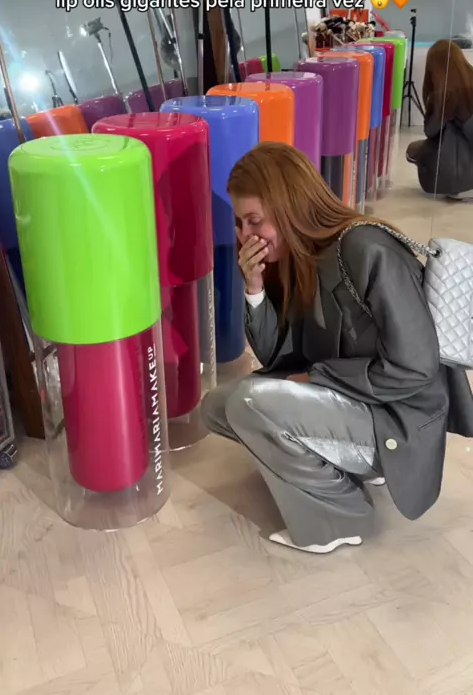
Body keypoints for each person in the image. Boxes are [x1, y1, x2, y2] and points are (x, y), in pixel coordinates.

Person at [201, 143, 473, 554]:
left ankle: (338, 519)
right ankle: (335, 464)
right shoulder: (299, 256)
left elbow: (415, 367)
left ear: (290, 207)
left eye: (254, 220)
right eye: (240, 223)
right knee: (218, 407)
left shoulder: (367, 249)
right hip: (354, 397)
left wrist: (316, 377)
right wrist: (254, 288)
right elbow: (277, 356)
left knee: (249, 404)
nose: (245, 235)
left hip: (396, 414)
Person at [406, 39, 473, 199]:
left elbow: (431, 131)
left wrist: (441, 112)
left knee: (414, 150)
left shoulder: (442, 96)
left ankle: (459, 186)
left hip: (454, 172)